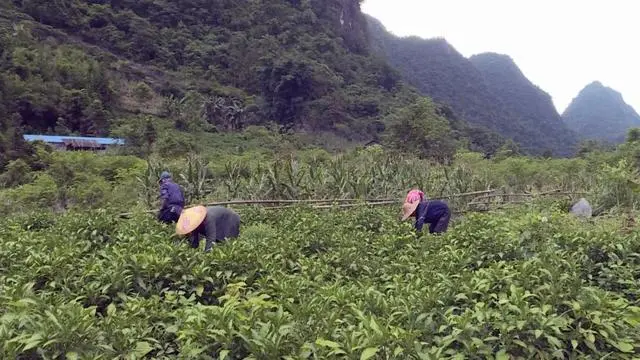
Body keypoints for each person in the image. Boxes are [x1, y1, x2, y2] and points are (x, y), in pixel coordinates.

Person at [176, 205, 241, 252]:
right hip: (219, 221)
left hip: (230, 220)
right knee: (218, 242)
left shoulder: (208, 218)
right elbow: (194, 241)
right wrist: (192, 252)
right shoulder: (195, 222)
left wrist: (207, 255)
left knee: (229, 243)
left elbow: (211, 238)